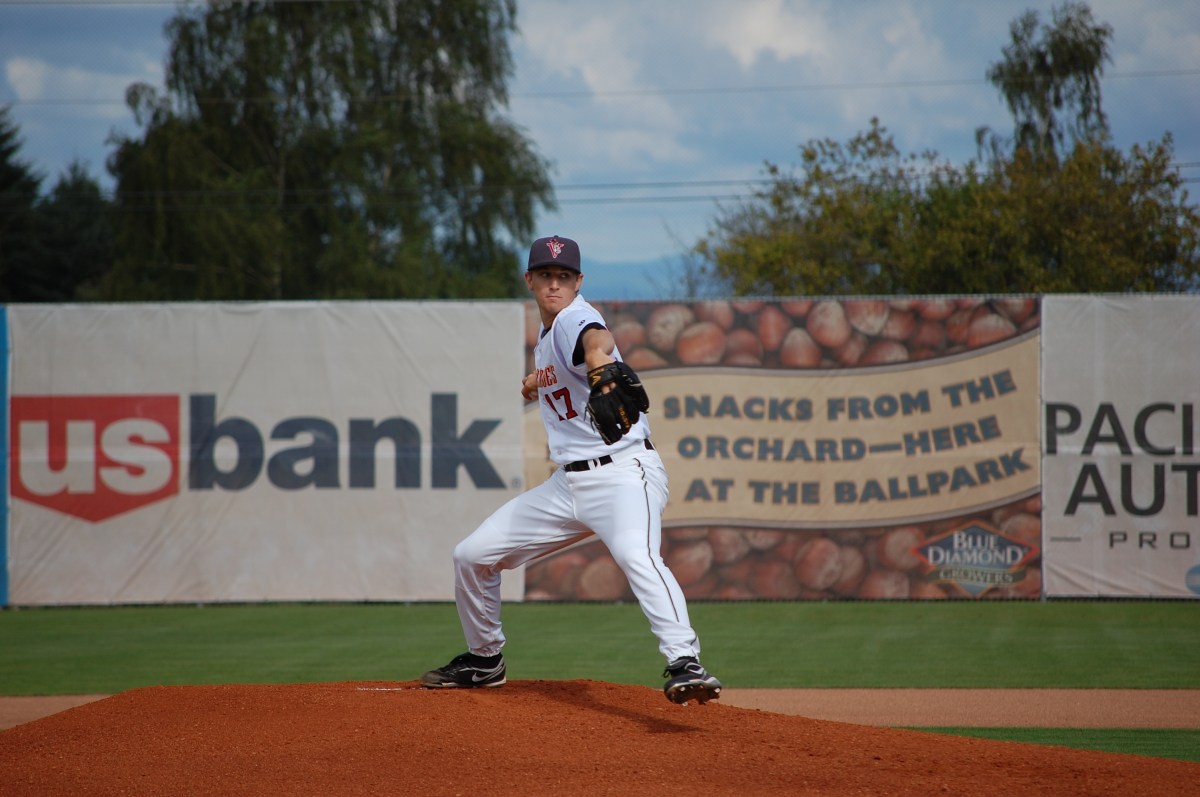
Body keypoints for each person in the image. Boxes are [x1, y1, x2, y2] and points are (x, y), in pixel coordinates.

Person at [420, 235, 722, 705]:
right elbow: (556, 369)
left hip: (624, 475)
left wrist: (600, 364)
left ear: (578, 282)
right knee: (472, 555)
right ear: (530, 280)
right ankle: (485, 660)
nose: (554, 285)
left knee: (637, 556)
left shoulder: (573, 319)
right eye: (545, 275)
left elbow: (595, 339)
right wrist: (534, 382)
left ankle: (686, 661)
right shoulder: (547, 339)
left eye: (564, 276)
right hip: (567, 485)